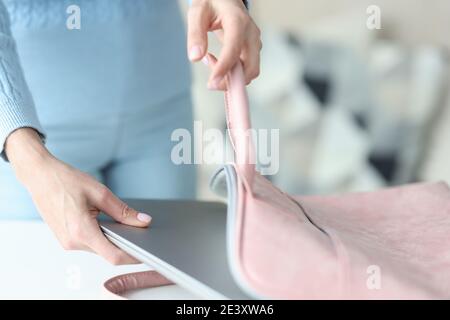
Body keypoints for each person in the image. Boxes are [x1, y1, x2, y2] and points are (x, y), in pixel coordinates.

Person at [0, 0, 262, 264]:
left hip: (162, 105)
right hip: (34, 128)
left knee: (172, 276)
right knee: (49, 279)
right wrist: (27, 155)